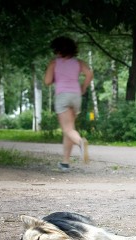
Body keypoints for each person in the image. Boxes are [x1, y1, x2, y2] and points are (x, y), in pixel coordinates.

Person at [44, 36, 93, 172]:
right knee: (69, 130)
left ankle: (81, 143)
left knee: (68, 130)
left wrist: (56, 76)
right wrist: (83, 87)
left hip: (63, 97)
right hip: (76, 96)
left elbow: (47, 81)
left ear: (58, 50)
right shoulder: (78, 62)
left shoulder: (54, 63)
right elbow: (89, 74)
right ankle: (65, 163)